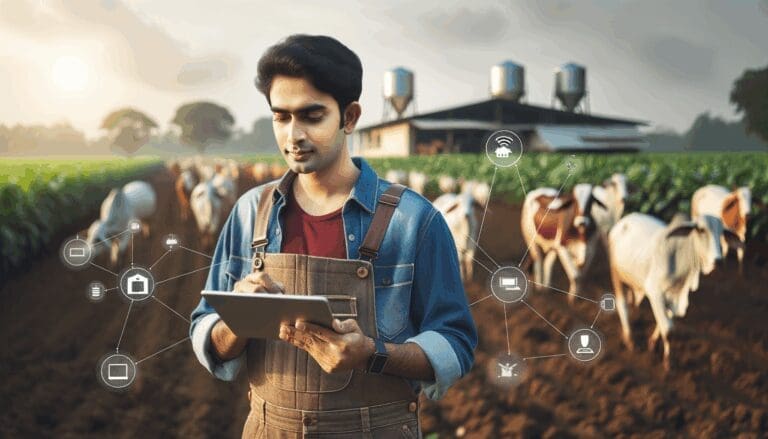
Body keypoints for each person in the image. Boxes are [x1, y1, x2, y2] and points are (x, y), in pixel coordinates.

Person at [190, 34, 477, 438]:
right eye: (281, 116)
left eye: (311, 115)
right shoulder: (249, 214)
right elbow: (205, 331)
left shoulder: (415, 221)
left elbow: (456, 345)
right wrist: (236, 322)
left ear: (350, 116)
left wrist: (372, 355)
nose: (294, 136)